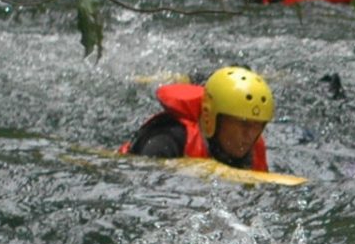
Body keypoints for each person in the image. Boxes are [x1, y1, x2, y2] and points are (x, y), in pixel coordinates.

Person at [118, 67, 275, 172]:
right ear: (209, 118)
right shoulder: (167, 139)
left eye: (258, 125)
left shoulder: (254, 149)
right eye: (242, 124)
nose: (250, 135)